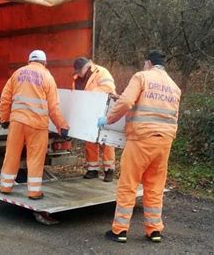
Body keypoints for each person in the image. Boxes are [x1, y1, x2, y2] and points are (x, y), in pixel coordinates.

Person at [98, 49, 181, 243]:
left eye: (145, 63)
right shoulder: (174, 86)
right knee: (155, 186)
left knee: (129, 183)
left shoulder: (142, 77)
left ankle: (119, 230)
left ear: (149, 63)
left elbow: (126, 101)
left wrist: (108, 119)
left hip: (141, 139)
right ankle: (154, 230)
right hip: (165, 141)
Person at [0, 50, 69, 200]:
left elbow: (5, 98)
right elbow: (53, 107)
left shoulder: (17, 73)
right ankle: (34, 192)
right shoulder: (48, 77)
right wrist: (61, 126)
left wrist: (4, 118)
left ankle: (5, 186)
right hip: (37, 125)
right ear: (44, 62)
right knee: (35, 158)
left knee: (11, 154)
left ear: (29, 61)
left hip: (17, 122)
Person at [72, 57, 117, 182]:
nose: (77, 74)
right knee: (90, 140)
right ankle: (93, 169)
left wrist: (88, 95)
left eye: (78, 71)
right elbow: (76, 97)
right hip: (89, 112)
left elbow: (109, 88)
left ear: (85, 67)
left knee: (106, 141)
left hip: (104, 111)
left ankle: (109, 170)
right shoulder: (77, 79)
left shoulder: (101, 72)